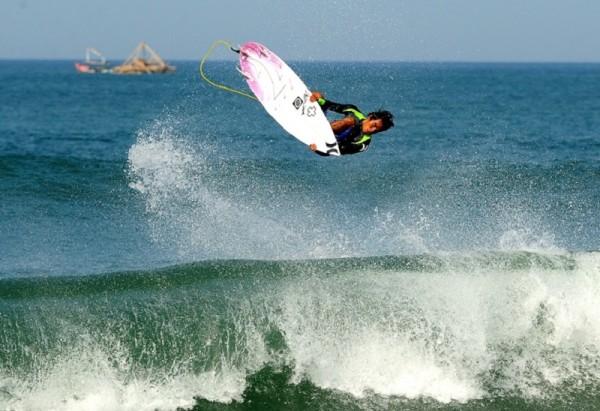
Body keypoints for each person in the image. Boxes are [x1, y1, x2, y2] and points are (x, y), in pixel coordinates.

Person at [309, 91, 394, 156]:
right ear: (370, 117)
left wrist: (319, 149)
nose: (373, 130)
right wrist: (319, 100)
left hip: (329, 143)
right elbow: (330, 105)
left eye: (377, 130)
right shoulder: (354, 111)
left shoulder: (364, 143)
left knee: (351, 122)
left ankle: (321, 133)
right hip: (327, 128)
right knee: (319, 95)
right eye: (374, 125)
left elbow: (340, 150)